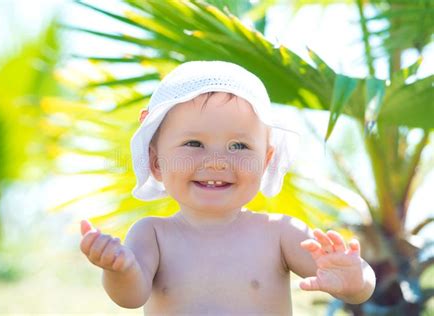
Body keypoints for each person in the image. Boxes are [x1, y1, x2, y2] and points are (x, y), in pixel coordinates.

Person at [79, 61, 376, 315]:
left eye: (239, 145)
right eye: (194, 143)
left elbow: (355, 286)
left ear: (265, 161)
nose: (218, 162)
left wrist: (355, 280)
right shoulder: (152, 234)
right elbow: (131, 297)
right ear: (156, 162)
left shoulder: (280, 233)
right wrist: (118, 269)